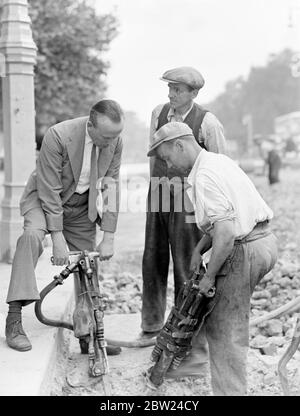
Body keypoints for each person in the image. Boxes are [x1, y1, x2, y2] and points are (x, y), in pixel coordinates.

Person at [147, 121, 278, 395]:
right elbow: (225, 218)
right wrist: (199, 249)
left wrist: (209, 277)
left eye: (168, 157)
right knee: (228, 323)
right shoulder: (218, 162)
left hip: (244, 248)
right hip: (264, 241)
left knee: (223, 331)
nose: (169, 165)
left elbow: (228, 233)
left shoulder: (204, 176)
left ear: (179, 145)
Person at [5, 99, 124, 355]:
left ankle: (88, 331)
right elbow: (49, 189)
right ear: (90, 126)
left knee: (87, 264)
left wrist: (109, 235)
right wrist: (56, 236)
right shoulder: (58, 135)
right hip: (45, 199)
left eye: (115, 137)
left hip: (81, 205)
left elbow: (111, 184)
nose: (110, 142)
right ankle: (14, 319)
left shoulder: (114, 140)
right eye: (105, 137)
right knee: (31, 237)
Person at [141, 66, 227, 340]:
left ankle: (184, 325)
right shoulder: (158, 113)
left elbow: (218, 165)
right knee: (152, 256)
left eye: (177, 89)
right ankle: (151, 322)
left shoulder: (208, 122)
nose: (171, 94)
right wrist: (154, 187)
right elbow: (154, 154)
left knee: (185, 259)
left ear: (194, 92)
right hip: (158, 192)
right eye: (169, 88)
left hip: (188, 197)